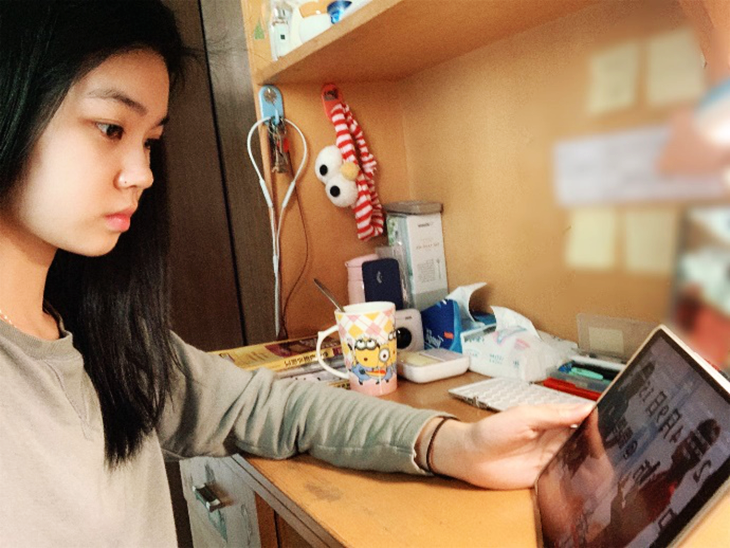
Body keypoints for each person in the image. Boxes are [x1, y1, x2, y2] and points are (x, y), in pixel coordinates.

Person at [0, 1, 592, 545]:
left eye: (150, 141)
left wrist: (453, 444)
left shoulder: (108, 342)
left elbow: (271, 409)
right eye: (111, 128)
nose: (142, 173)